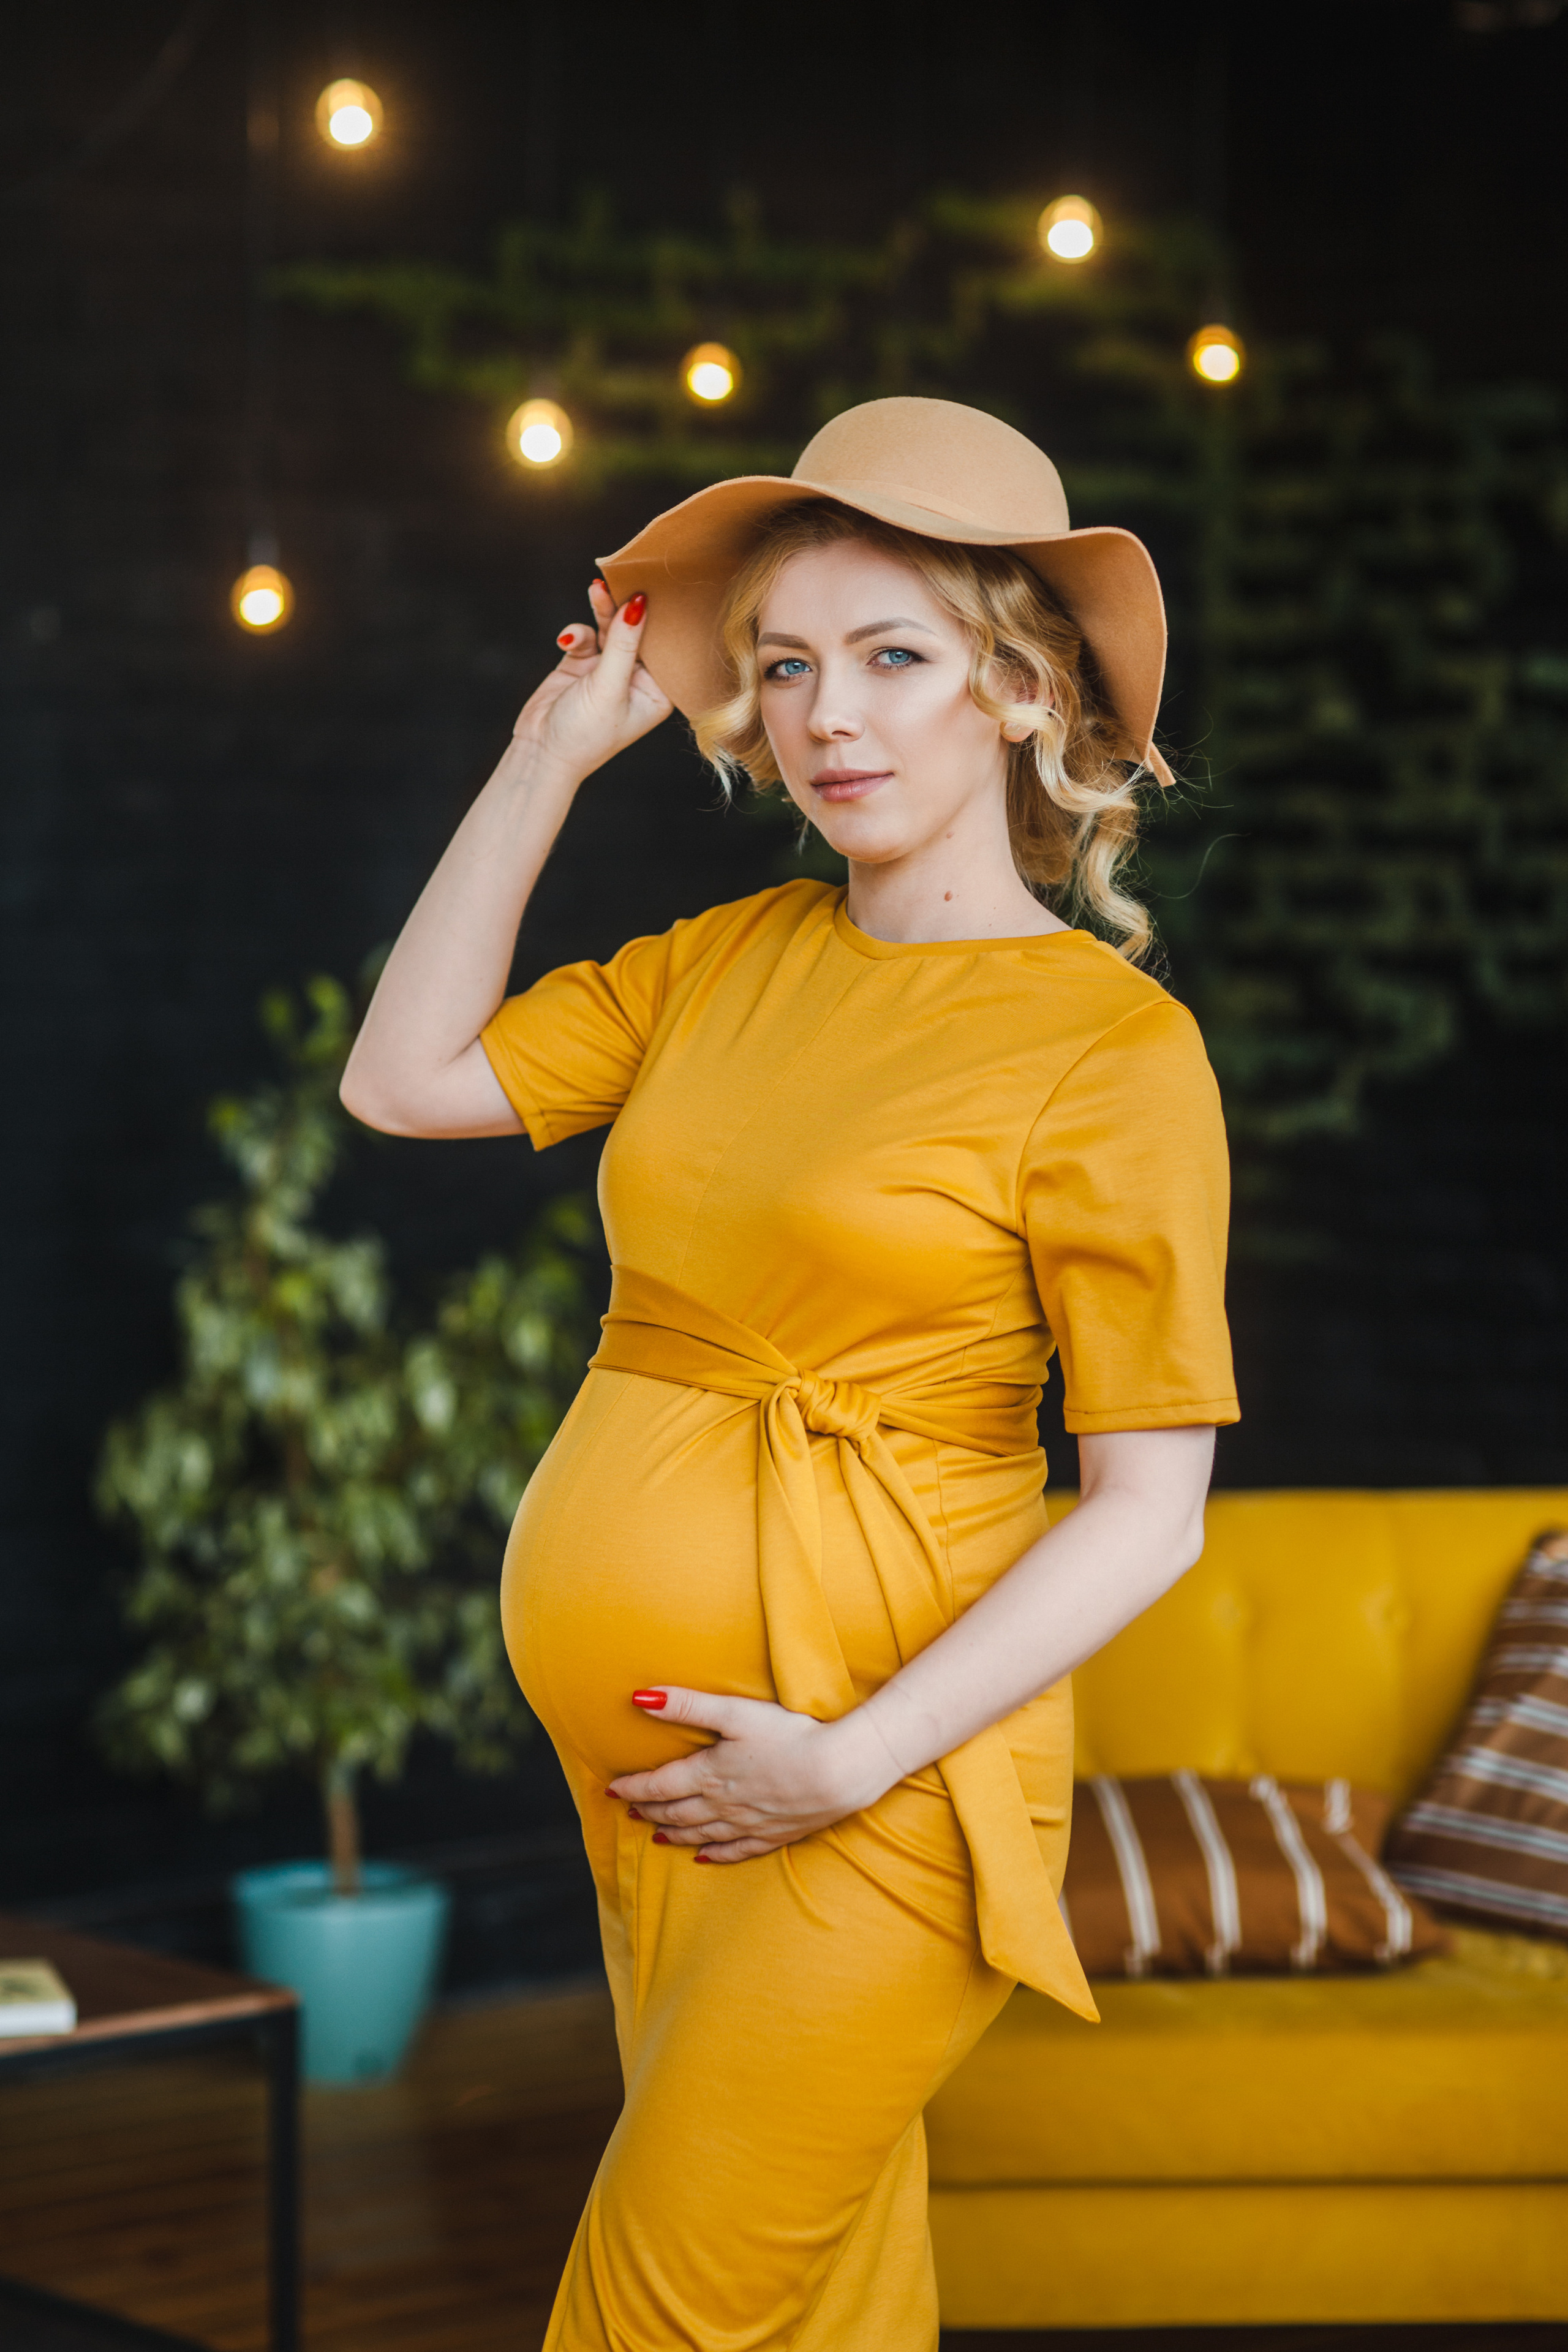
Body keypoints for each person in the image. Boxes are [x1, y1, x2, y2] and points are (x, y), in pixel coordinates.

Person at [341, 396, 1238, 2351]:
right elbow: (401, 1080)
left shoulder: (1112, 1054)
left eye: (894, 657)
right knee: (818, 2303)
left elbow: (1152, 1513)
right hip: (665, 1788)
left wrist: (844, 1761)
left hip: (876, 1786)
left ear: (1021, 690)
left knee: (658, 2316)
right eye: (784, 665)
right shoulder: (721, 961)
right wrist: (544, 759)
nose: (829, 715)